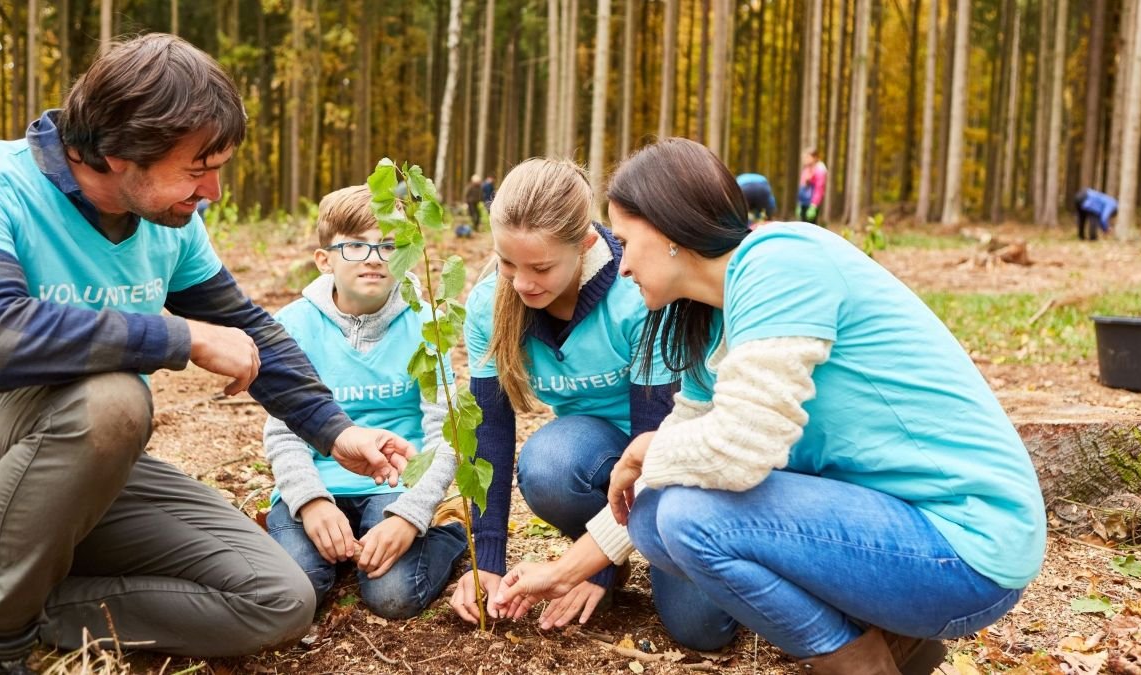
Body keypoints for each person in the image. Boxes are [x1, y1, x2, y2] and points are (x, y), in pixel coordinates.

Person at [493, 138, 1046, 674]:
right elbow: (671, 472)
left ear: (667, 233)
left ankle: (861, 665)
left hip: (965, 542)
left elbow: (740, 450)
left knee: (686, 514)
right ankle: (887, 643)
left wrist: (649, 449)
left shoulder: (781, 263)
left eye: (626, 240)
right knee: (662, 515)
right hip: (894, 531)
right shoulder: (709, 321)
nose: (623, 266)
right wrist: (566, 571)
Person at [0, 34, 413, 673]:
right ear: (120, 150)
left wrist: (335, 432)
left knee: (277, 599)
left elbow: (247, 328)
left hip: (79, 477)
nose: (214, 191)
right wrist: (181, 337)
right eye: (198, 169)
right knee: (113, 397)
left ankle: (2, 600)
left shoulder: (171, 224)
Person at [448, 158, 690, 633]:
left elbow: (652, 438)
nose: (521, 283)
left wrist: (588, 565)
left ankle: (611, 553)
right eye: (507, 263)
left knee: (697, 627)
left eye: (540, 267)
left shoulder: (637, 295)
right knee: (549, 463)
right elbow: (490, 431)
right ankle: (608, 557)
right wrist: (488, 559)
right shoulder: (487, 305)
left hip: (667, 450)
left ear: (585, 244)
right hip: (590, 453)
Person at [263, 185, 468, 619]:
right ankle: (335, 546)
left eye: (389, 245)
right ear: (324, 259)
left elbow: (443, 432)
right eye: (355, 245)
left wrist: (410, 515)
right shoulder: (293, 327)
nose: (373, 257)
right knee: (295, 588)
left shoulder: (426, 325)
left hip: (395, 486)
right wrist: (311, 501)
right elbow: (284, 430)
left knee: (393, 595)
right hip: (317, 483)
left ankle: (446, 533)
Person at [797, 148, 827, 225]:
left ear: (814, 158)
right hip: (804, 202)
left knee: (811, 225)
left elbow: (819, 189)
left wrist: (814, 205)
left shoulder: (820, 170)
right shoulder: (806, 170)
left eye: (808, 157)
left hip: (812, 203)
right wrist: (799, 203)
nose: (805, 159)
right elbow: (802, 187)